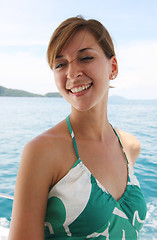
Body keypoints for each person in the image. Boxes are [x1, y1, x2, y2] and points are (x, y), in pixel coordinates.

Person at [8, 16, 147, 240]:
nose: (72, 74)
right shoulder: (42, 152)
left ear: (113, 67)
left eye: (85, 58)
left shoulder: (130, 146)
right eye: (61, 64)